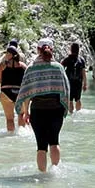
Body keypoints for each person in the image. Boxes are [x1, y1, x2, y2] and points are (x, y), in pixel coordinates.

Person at [15, 38, 70, 172]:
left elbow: (26, 92)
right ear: (52, 49)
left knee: (41, 146)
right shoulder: (59, 67)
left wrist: (25, 112)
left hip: (37, 110)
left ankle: (43, 176)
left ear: (38, 50)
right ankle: (55, 172)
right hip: (56, 109)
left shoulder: (31, 69)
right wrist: (65, 107)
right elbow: (66, 89)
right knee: (54, 142)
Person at [0, 39, 27, 132]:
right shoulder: (23, 66)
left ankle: (10, 135)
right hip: (20, 93)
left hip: (5, 93)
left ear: (10, 55)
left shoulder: (2, 65)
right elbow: (27, 82)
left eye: (7, 53)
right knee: (21, 115)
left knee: (9, 119)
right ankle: (22, 134)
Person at [61, 42, 87, 113]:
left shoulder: (67, 59)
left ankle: (71, 113)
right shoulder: (81, 60)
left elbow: (61, 69)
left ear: (71, 49)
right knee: (78, 99)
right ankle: (78, 113)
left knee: (70, 100)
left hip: (69, 82)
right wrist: (85, 84)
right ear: (78, 50)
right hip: (78, 82)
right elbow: (83, 73)